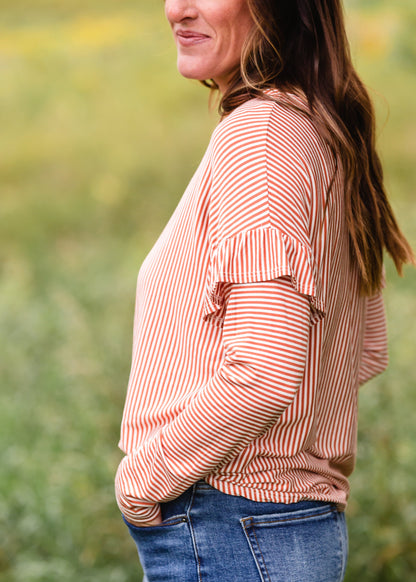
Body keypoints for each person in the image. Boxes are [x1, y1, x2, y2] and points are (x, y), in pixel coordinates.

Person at [115, 1, 414, 580]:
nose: (178, 8)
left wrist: (144, 479)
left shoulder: (259, 139)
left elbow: (267, 366)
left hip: (228, 522)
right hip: (290, 528)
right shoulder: (318, 128)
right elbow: (365, 348)